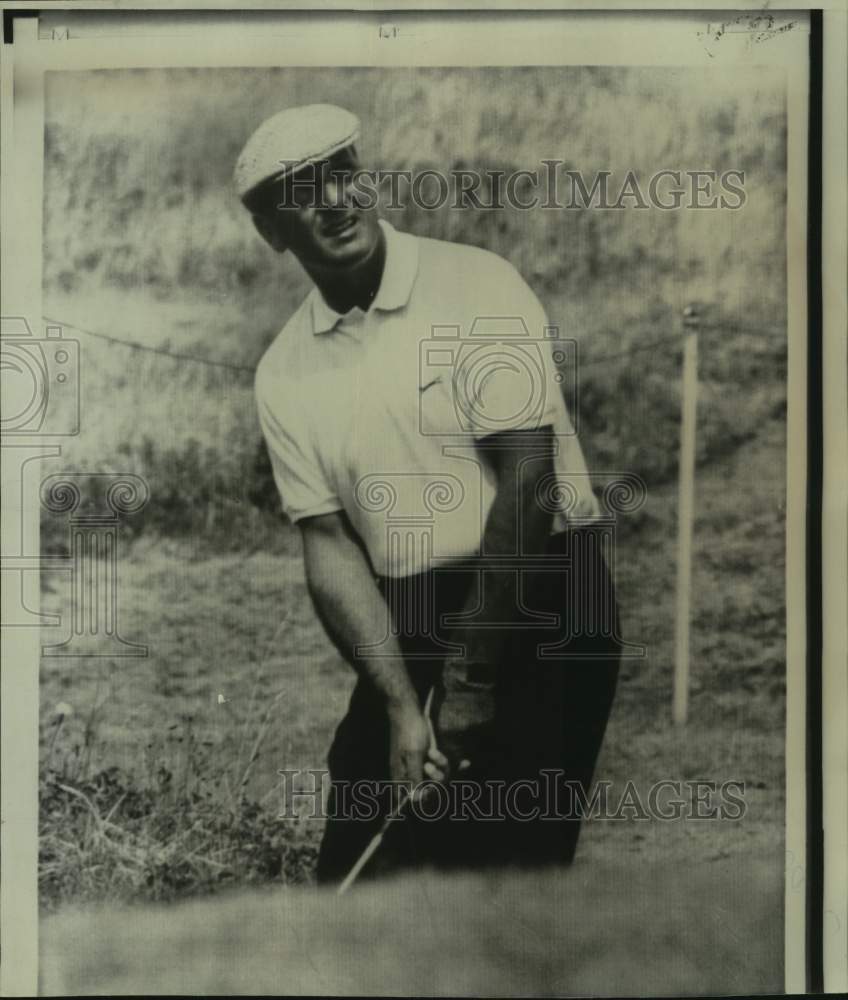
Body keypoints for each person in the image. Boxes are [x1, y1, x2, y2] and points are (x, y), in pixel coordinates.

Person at [235, 104, 622, 885]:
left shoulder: (473, 284)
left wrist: (473, 682)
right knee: (354, 871)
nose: (336, 201)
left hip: (540, 595)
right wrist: (400, 704)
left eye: (343, 174)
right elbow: (330, 548)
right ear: (272, 231)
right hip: (411, 614)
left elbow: (529, 478)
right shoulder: (283, 370)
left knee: (493, 890)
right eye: (303, 192)